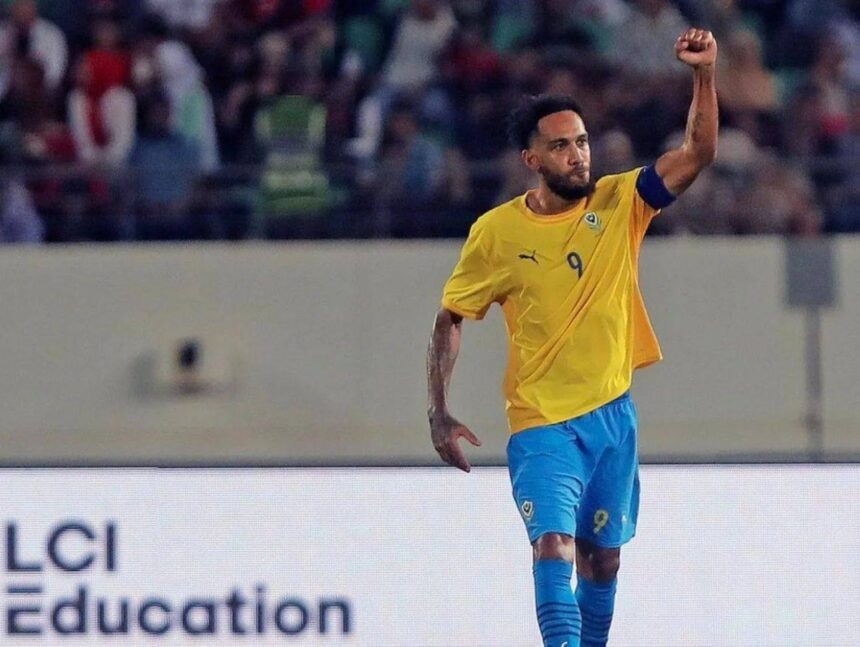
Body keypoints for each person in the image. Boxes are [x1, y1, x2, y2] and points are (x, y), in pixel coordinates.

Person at [426, 28, 718, 647]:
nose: (578, 155)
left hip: (612, 415)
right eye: (560, 146)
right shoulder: (496, 233)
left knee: (602, 561)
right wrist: (439, 410)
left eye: (581, 142)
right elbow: (451, 317)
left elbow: (697, 151)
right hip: (542, 424)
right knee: (553, 545)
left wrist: (704, 74)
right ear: (531, 160)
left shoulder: (621, 202)